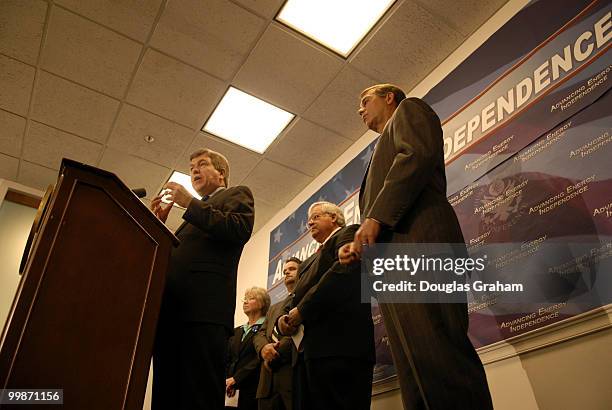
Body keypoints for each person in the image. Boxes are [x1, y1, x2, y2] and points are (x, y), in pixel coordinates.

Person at [339, 84, 493, 409]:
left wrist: (376, 216)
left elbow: (416, 156)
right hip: (393, 266)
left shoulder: (410, 111)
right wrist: (360, 242)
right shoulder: (379, 150)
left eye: (365, 101)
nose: (359, 110)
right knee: (414, 371)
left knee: (439, 358)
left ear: (390, 97)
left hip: (421, 247)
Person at [151, 148, 255, 410]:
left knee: (199, 396)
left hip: (203, 315)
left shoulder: (237, 194)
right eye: (191, 167)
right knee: (167, 395)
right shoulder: (190, 221)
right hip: (171, 315)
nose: (194, 170)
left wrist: (189, 204)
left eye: (202, 164)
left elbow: (238, 229)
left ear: (221, 174)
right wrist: (158, 226)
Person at [279, 201, 375, 410]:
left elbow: (341, 274)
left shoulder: (348, 233)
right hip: (309, 355)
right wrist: (283, 320)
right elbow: (295, 296)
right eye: (308, 220)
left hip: (341, 348)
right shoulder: (307, 262)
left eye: (315, 217)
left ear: (333, 217)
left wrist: (302, 311)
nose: (309, 223)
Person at [253, 257, 301, 410]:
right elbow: (260, 334)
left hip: (292, 378)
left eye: (292, 269)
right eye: (284, 271)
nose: (287, 273)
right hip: (266, 385)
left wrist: (273, 354)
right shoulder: (273, 308)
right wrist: (263, 349)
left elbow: (297, 333)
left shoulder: (305, 299)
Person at [226, 287, 271, 410]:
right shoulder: (236, 331)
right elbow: (228, 358)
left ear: (262, 303)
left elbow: (259, 359)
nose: (245, 302)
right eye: (245, 299)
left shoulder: (266, 329)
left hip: (254, 389)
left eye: (250, 298)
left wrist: (237, 378)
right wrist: (228, 380)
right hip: (231, 391)